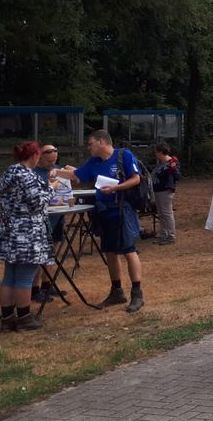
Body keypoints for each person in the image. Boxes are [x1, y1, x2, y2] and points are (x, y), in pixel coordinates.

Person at [56, 130, 145, 313]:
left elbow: (136, 179)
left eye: (90, 143)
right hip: (104, 212)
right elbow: (76, 176)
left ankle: (137, 293)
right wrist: (54, 171)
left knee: (129, 250)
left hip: (122, 210)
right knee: (110, 252)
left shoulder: (123, 155)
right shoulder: (94, 163)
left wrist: (116, 188)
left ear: (102, 141)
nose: (88, 147)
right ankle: (117, 291)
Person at [0, 141, 54, 332]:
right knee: (24, 277)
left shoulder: (9, 172)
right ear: (35, 156)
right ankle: (24, 317)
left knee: (9, 276)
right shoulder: (27, 176)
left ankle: (7, 318)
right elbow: (37, 203)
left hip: (10, 230)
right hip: (27, 233)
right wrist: (50, 188)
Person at [30, 144, 70, 303]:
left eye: (55, 155)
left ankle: (48, 285)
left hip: (57, 218)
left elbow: (74, 182)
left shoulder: (58, 169)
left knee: (51, 253)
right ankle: (34, 288)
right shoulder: (33, 173)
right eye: (49, 158)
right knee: (39, 255)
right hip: (41, 220)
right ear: (39, 156)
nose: (52, 162)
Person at [152, 142, 181, 245]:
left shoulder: (171, 163)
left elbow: (177, 176)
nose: (156, 154)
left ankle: (171, 236)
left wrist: (172, 169)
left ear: (161, 152)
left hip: (165, 191)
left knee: (167, 213)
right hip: (158, 191)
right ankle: (164, 234)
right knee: (161, 213)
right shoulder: (160, 163)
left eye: (156, 152)